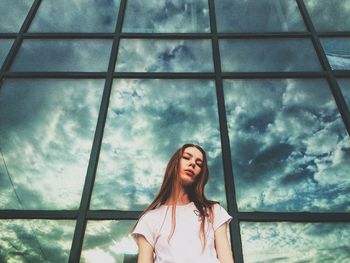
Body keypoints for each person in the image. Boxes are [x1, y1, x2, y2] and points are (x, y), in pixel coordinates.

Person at [130, 144, 234, 263]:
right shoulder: (149, 219)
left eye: (199, 163)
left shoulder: (213, 211)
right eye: (186, 157)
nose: (193, 164)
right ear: (175, 163)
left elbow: (226, 259)